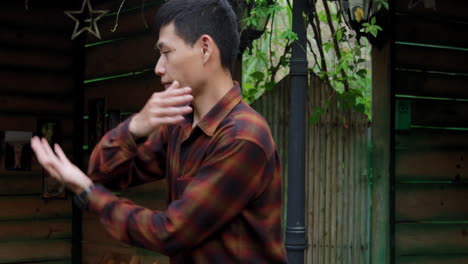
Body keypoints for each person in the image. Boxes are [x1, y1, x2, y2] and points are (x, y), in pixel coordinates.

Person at [31, 0, 287, 263]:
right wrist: (135, 127)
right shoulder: (180, 125)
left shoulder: (243, 136)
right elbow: (101, 172)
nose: (158, 68)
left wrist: (88, 193)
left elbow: (172, 233)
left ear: (205, 48)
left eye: (166, 52)